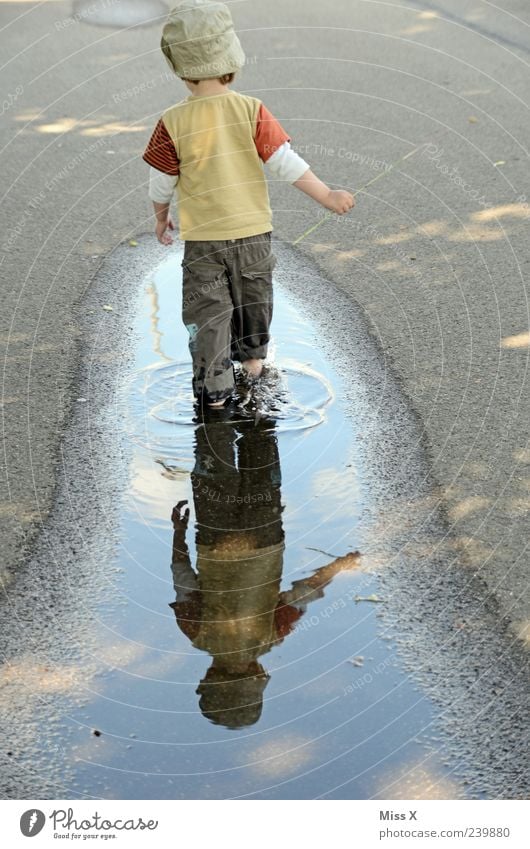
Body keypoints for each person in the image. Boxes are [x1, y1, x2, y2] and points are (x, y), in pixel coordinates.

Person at [142, 0, 355, 408]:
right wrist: (327, 195)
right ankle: (255, 368)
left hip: (203, 244)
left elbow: (161, 181)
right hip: (253, 238)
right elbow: (285, 163)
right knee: (254, 301)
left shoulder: (172, 121)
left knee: (208, 313)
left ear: (181, 71)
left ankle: (214, 391)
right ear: (232, 63)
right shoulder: (251, 110)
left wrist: (161, 219)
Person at [169, 409, 362, 728]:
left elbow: (305, 592)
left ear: (256, 676)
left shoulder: (271, 636)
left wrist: (340, 564)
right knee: (211, 439)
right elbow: (182, 576)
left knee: (260, 437)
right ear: (208, 676)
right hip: (214, 534)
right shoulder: (197, 634)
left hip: (265, 530)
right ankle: (215, 395)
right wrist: (178, 531)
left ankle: (257, 392)